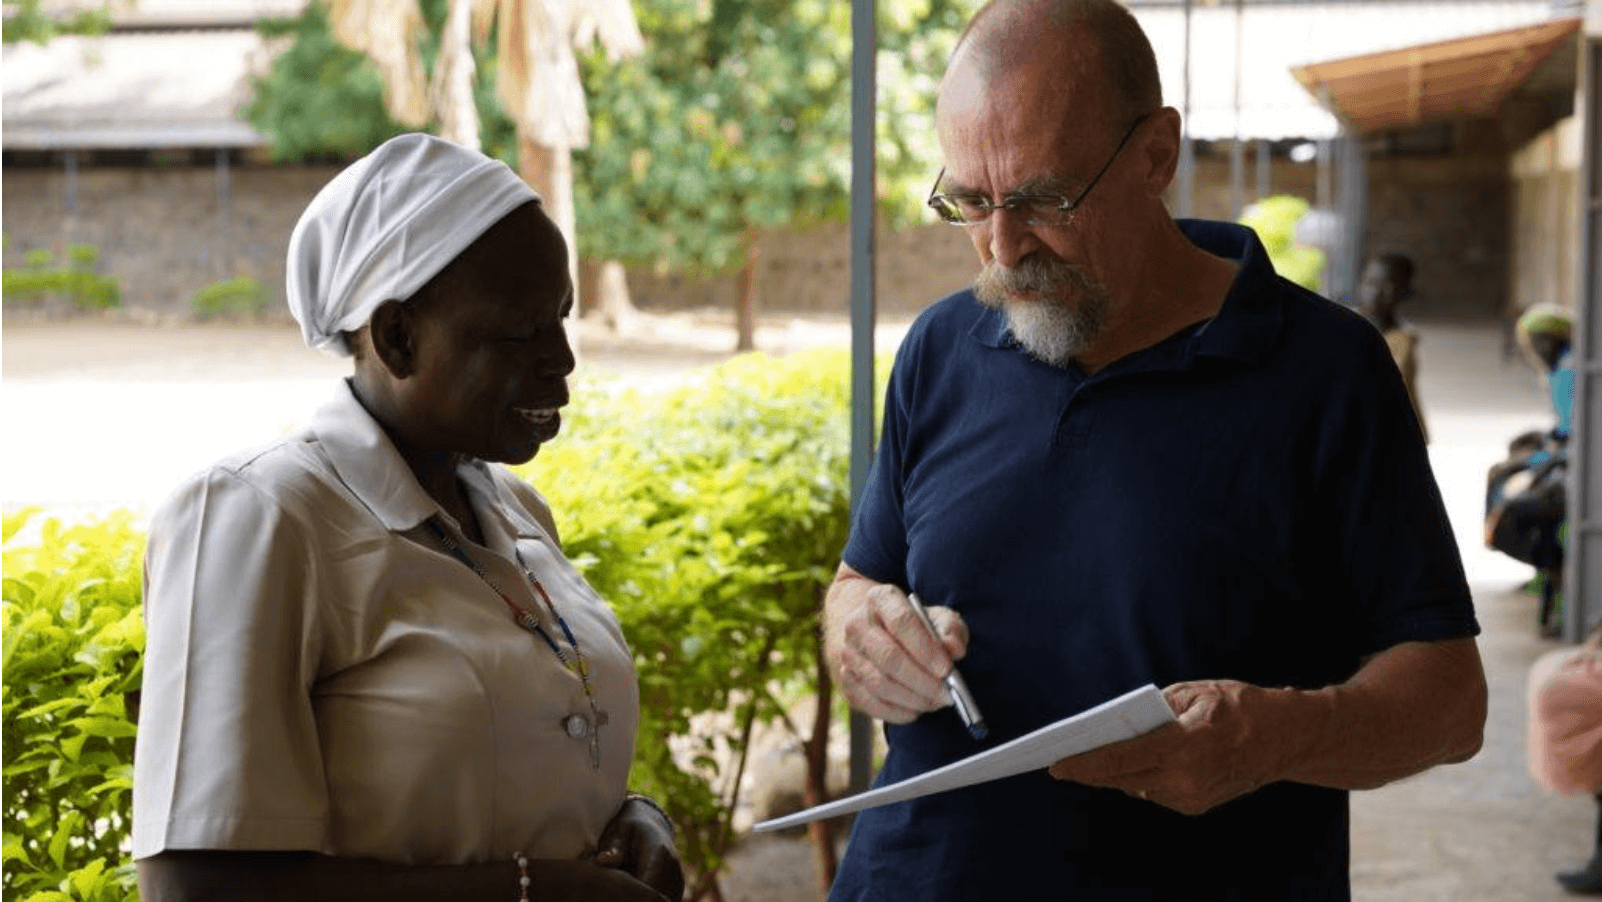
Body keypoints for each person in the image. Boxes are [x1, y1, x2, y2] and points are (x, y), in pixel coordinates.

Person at [821, 2, 1487, 899]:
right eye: (970, 202)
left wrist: (1279, 735)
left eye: (1044, 198)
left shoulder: (1327, 371)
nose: (1003, 248)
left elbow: (1450, 702)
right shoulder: (942, 347)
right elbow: (861, 580)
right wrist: (857, 631)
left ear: (1156, 156)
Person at [132, 133, 684, 902]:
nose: (563, 358)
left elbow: (508, 760)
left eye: (563, 317)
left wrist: (634, 815)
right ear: (396, 336)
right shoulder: (257, 518)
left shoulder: (513, 510)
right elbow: (194, 883)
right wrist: (534, 893)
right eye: (520, 330)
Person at [1358, 251, 1428, 443]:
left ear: (1405, 292)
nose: (1376, 291)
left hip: (1389, 434)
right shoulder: (1346, 331)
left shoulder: (1403, 341)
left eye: (1387, 285)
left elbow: (1406, 393)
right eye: (1370, 282)